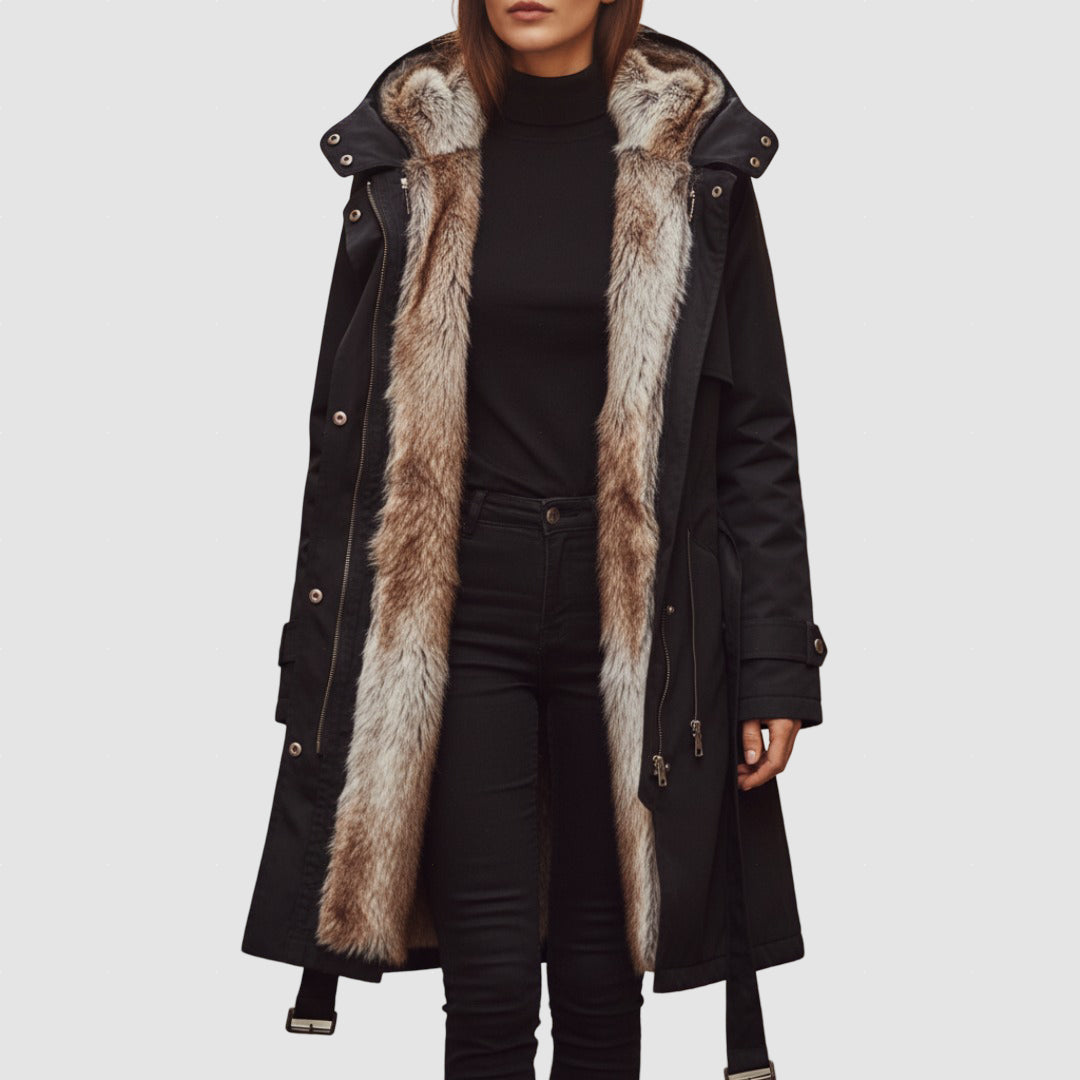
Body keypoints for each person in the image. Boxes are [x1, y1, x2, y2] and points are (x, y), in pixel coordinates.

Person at [242, 3, 828, 1078]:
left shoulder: (693, 162)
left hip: (641, 613)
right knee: (491, 977)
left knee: (605, 978)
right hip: (460, 602)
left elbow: (756, 432)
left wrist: (776, 665)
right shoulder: (412, 155)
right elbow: (345, 445)